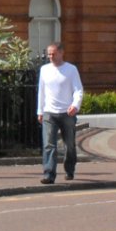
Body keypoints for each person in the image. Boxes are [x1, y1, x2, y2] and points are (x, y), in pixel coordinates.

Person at [35, 43, 83, 183]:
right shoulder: (44, 69)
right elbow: (42, 91)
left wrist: (75, 105)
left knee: (69, 144)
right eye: (49, 54)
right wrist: (40, 111)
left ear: (61, 53)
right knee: (49, 144)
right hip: (49, 112)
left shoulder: (71, 69)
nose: (50, 56)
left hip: (67, 113)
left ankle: (69, 169)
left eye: (53, 54)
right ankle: (49, 174)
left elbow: (78, 90)